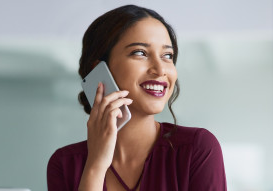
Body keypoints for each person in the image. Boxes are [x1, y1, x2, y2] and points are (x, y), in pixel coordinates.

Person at [47, 4, 227, 191]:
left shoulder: (197, 148)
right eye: (140, 53)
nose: (159, 70)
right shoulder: (64, 164)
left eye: (167, 55)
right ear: (99, 71)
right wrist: (96, 165)